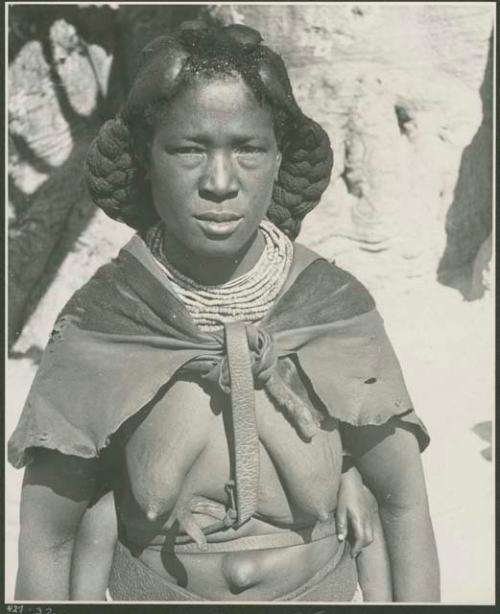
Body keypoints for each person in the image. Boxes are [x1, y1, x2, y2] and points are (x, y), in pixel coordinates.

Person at [9, 22, 439, 602]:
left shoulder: (333, 307)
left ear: (280, 156)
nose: (219, 182)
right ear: (144, 157)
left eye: (248, 148)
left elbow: (404, 504)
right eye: (188, 148)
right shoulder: (102, 323)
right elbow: (49, 540)